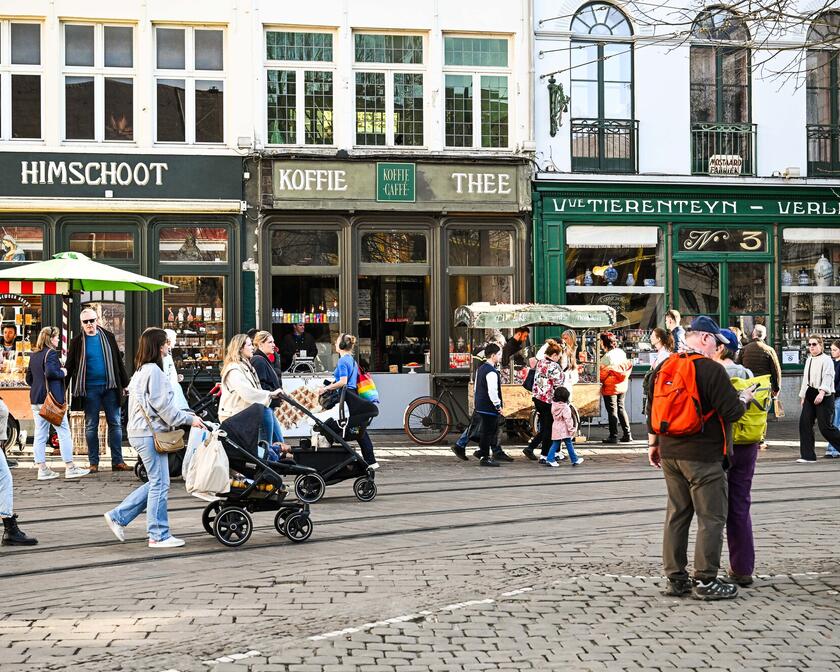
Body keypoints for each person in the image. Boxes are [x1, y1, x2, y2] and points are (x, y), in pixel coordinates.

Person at [647, 315, 752, 600]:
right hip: (704, 456)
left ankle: (675, 579)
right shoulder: (710, 370)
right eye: (716, 343)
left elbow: (652, 405)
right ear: (705, 338)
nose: (717, 348)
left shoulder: (665, 365)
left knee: (677, 515)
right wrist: (745, 398)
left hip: (669, 452)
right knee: (711, 517)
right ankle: (705, 580)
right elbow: (732, 413)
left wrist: (653, 444)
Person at [103, 328, 204, 548]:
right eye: (166, 343)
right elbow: (165, 410)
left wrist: (186, 415)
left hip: (141, 432)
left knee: (158, 481)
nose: (169, 346)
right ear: (158, 347)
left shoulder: (141, 371)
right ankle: (158, 534)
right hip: (149, 434)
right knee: (160, 483)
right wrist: (189, 420)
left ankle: (118, 516)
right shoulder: (154, 372)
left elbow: (157, 407)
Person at [66, 308, 130, 473]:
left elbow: (118, 361)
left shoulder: (108, 337)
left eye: (92, 320)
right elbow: (70, 366)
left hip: (111, 386)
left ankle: (118, 461)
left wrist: (126, 383)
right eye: (86, 322)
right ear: (82, 324)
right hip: (89, 389)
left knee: (115, 423)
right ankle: (93, 462)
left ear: (97, 320)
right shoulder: (77, 342)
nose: (89, 324)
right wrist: (61, 389)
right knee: (91, 425)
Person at [26, 327, 89, 481]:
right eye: (56, 337)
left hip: (36, 399)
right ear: (50, 338)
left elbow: (29, 379)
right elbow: (51, 373)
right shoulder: (51, 354)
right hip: (51, 400)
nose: (58, 340)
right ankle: (70, 467)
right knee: (64, 432)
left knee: (40, 434)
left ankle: (42, 469)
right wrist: (63, 372)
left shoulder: (34, 355)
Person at [320, 333, 379, 468]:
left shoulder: (342, 361)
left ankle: (330, 458)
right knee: (358, 428)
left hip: (346, 397)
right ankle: (370, 460)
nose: (335, 343)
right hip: (352, 395)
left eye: (336, 342)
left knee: (331, 425)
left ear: (341, 346)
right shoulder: (351, 360)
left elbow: (343, 382)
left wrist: (326, 388)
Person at [218, 334, 283, 424]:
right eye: (249, 345)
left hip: (244, 413)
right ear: (240, 349)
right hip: (233, 416)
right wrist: (270, 394)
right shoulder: (234, 369)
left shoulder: (247, 366)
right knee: (267, 414)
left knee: (273, 432)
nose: (253, 348)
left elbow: (256, 388)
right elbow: (247, 392)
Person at [797, 334, 840, 463]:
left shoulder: (827, 360)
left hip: (825, 395)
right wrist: (803, 396)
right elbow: (806, 379)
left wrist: (821, 393)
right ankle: (808, 456)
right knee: (804, 424)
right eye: (809, 344)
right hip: (810, 393)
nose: (811, 347)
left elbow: (828, 376)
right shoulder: (809, 360)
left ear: (820, 345)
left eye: (814, 344)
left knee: (825, 427)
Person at [523, 339, 565, 462]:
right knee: (549, 429)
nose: (559, 359)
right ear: (554, 355)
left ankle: (532, 448)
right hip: (548, 400)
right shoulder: (554, 366)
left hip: (538, 398)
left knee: (546, 427)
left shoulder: (540, 363)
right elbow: (559, 386)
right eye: (559, 356)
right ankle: (545, 455)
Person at [251, 330, 287, 447]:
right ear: (260, 344)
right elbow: (259, 385)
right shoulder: (259, 360)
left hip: (268, 407)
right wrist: (274, 392)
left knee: (279, 443)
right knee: (267, 444)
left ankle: (277, 463)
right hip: (264, 407)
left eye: (273, 342)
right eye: (270, 342)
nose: (273, 345)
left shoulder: (264, 360)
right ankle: (267, 464)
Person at [472, 343, 504, 467]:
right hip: (489, 407)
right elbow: (492, 391)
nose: (501, 357)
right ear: (493, 355)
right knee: (488, 433)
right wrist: (497, 405)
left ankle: (482, 452)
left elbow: (476, 387)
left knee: (487, 432)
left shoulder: (481, 369)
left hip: (481, 404)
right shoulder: (491, 372)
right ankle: (485, 457)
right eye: (499, 354)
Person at [599, 332, 632, 444]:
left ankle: (613, 436)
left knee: (612, 411)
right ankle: (627, 434)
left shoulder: (606, 357)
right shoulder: (621, 352)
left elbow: (601, 375)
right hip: (622, 384)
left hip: (610, 387)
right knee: (621, 408)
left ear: (604, 343)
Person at [739, 325, 782, 399]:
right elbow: (776, 371)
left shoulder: (744, 349)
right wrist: (776, 388)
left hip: (748, 387)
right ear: (765, 336)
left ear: (753, 335)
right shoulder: (769, 350)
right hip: (764, 387)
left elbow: (739, 368)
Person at [545, 386, 583, 467]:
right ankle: (574, 459)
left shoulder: (554, 405)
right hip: (564, 428)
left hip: (555, 426)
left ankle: (550, 458)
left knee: (555, 443)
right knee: (568, 443)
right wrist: (572, 429)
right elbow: (568, 420)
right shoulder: (565, 408)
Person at [162, 329, 189, 411]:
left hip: (173, 387)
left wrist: (175, 377)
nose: (175, 341)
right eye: (174, 339)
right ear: (169, 341)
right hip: (171, 389)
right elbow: (165, 373)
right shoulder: (165, 355)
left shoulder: (167, 354)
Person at [826, 339, 840, 459]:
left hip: (837, 396)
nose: (832, 352)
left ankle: (833, 449)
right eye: (831, 350)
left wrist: (834, 392)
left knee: (835, 423)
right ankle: (832, 449)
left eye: (835, 350)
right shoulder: (832, 362)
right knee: (833, 423)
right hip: (832, 395)